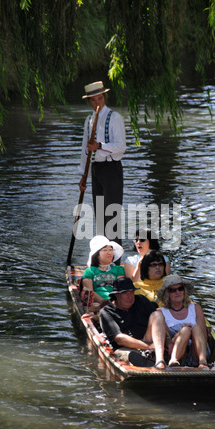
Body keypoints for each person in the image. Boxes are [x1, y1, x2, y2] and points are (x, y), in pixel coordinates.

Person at [79, 81, 126, 243]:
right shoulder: (89, 121)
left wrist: (99, 146)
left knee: (112, 214)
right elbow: (85, 150)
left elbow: (121, 147)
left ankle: (116, 259)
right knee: (100, 214)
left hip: (111, 169)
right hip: (96, 169)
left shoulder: (114, 118)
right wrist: (84, 176)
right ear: (89, 101)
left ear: (104, 97)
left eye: (100, 99)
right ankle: (102, 256)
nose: (97, 103)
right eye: (93, 100)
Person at [99, 277, 167, 369]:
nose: (129, 297)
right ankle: (147, 362)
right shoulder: (106, 312)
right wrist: (149, 346)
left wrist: (169, 341)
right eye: (125, 294)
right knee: (131, 356)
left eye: (131, 293)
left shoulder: (141, 300)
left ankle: (160, 360)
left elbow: (160, 320)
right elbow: (120, 339)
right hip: (126, 348)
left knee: (157, 314)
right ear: (117, 295)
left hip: (149, 341)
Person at [157, 274, 210, 369]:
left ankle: (203, 362)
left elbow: (204, 336)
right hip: (175, 351)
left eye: (180, 288)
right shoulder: (161, 312)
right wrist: (181, 333)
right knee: (185, 330)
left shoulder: (196, 308)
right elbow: (162, 340)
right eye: (173, 290)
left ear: (184, 290)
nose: (177, 292)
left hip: (196, 352)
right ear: (167, 294)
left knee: (196, 328)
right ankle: (174, 360)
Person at [82, 235, 125, 303]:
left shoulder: (118, 269)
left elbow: (121, 287)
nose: (109, 252)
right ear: (97, 254)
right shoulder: (89, 271)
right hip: (98, 303)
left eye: (110, 250)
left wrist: (115, 302)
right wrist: (103, 301)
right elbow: (89, 291)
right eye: (105, 250)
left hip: (117, 301)